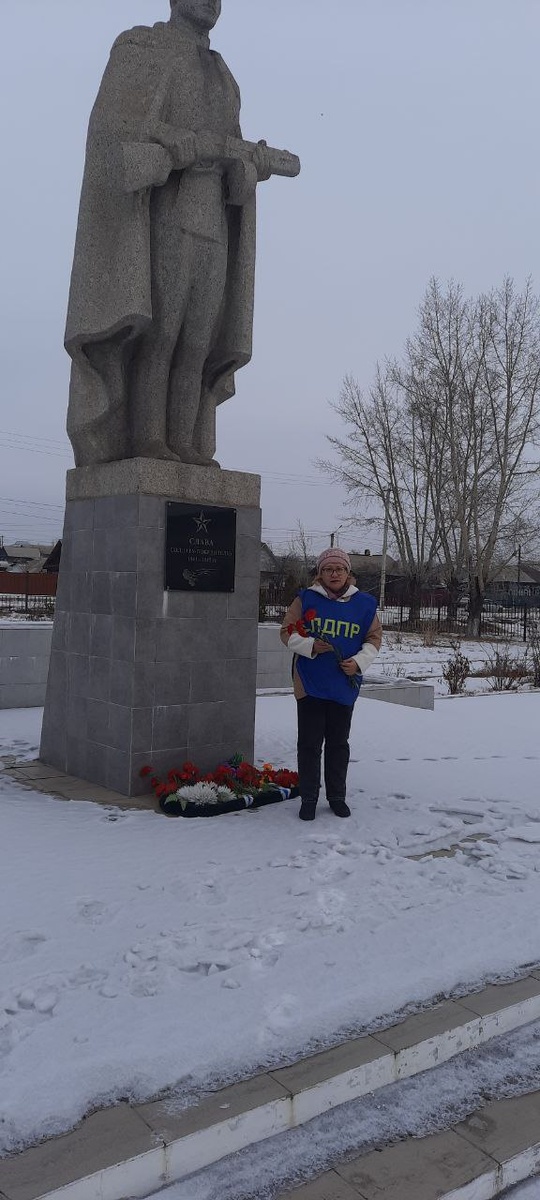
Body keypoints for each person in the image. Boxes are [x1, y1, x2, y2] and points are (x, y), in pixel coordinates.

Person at [65, 0, 297, 467]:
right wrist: (169, 139)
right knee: (162, 336)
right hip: (165, 218)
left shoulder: (224, 76)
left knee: (198, 345)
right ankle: (149, 439)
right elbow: (111, 129)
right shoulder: (142, 47)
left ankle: (187, 443)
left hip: (214, 225)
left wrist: (247, 168)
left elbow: (236, 172)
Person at [280, 548, 383, 820]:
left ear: (348, 572)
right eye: (328, 569)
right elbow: (286, 632)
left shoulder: (364, 604)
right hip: (310, 683)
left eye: (339, 569)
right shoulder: (306, 599)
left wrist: (359, 662)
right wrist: (310, 645)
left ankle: (337, 797)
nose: (334, 574)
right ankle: (309, 798)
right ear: (320, 573)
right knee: (309, 744)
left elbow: (373, 639)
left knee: (338, 743)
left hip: (343, 685)